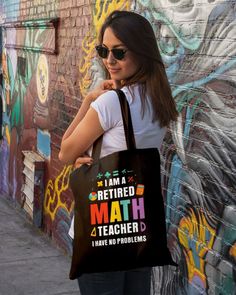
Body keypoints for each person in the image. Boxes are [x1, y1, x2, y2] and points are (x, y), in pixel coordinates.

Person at [59, 10, 178, 295]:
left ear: (141, 52)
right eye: (104, 50)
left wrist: (89, 100)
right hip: (139, 225)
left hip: (102, 229)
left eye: (119, 52)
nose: (109, 61)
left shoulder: (112, 102)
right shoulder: (160, 100)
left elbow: (65, 151)